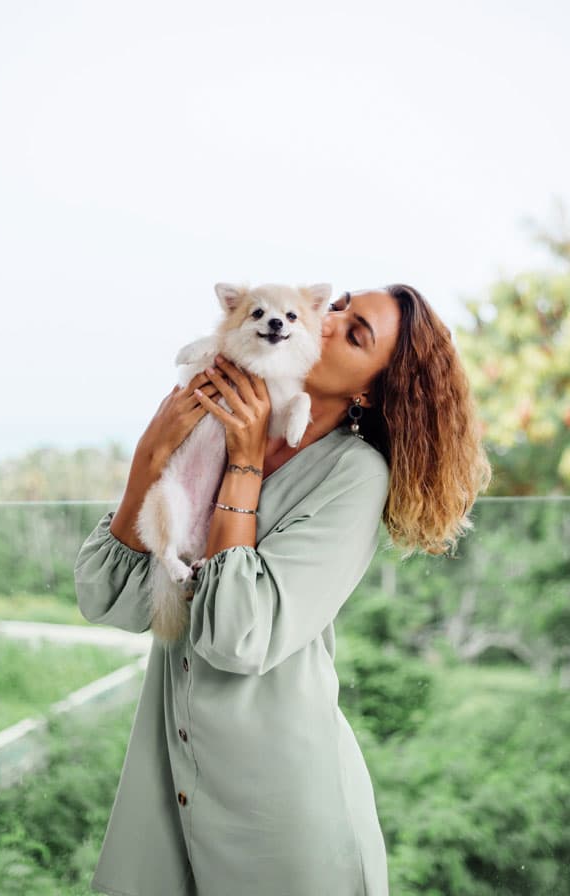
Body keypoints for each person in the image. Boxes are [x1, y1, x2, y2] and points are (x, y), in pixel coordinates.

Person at [74, 284, 492, 896]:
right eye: (339, 306)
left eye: (354, 334)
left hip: (282, 812)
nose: (326, 323)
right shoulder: (214, 431)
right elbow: (107, 595)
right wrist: (151, 453)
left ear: (369, 391)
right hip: (167, 786)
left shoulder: (353, 475)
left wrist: (243, 467)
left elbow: (238, 637)